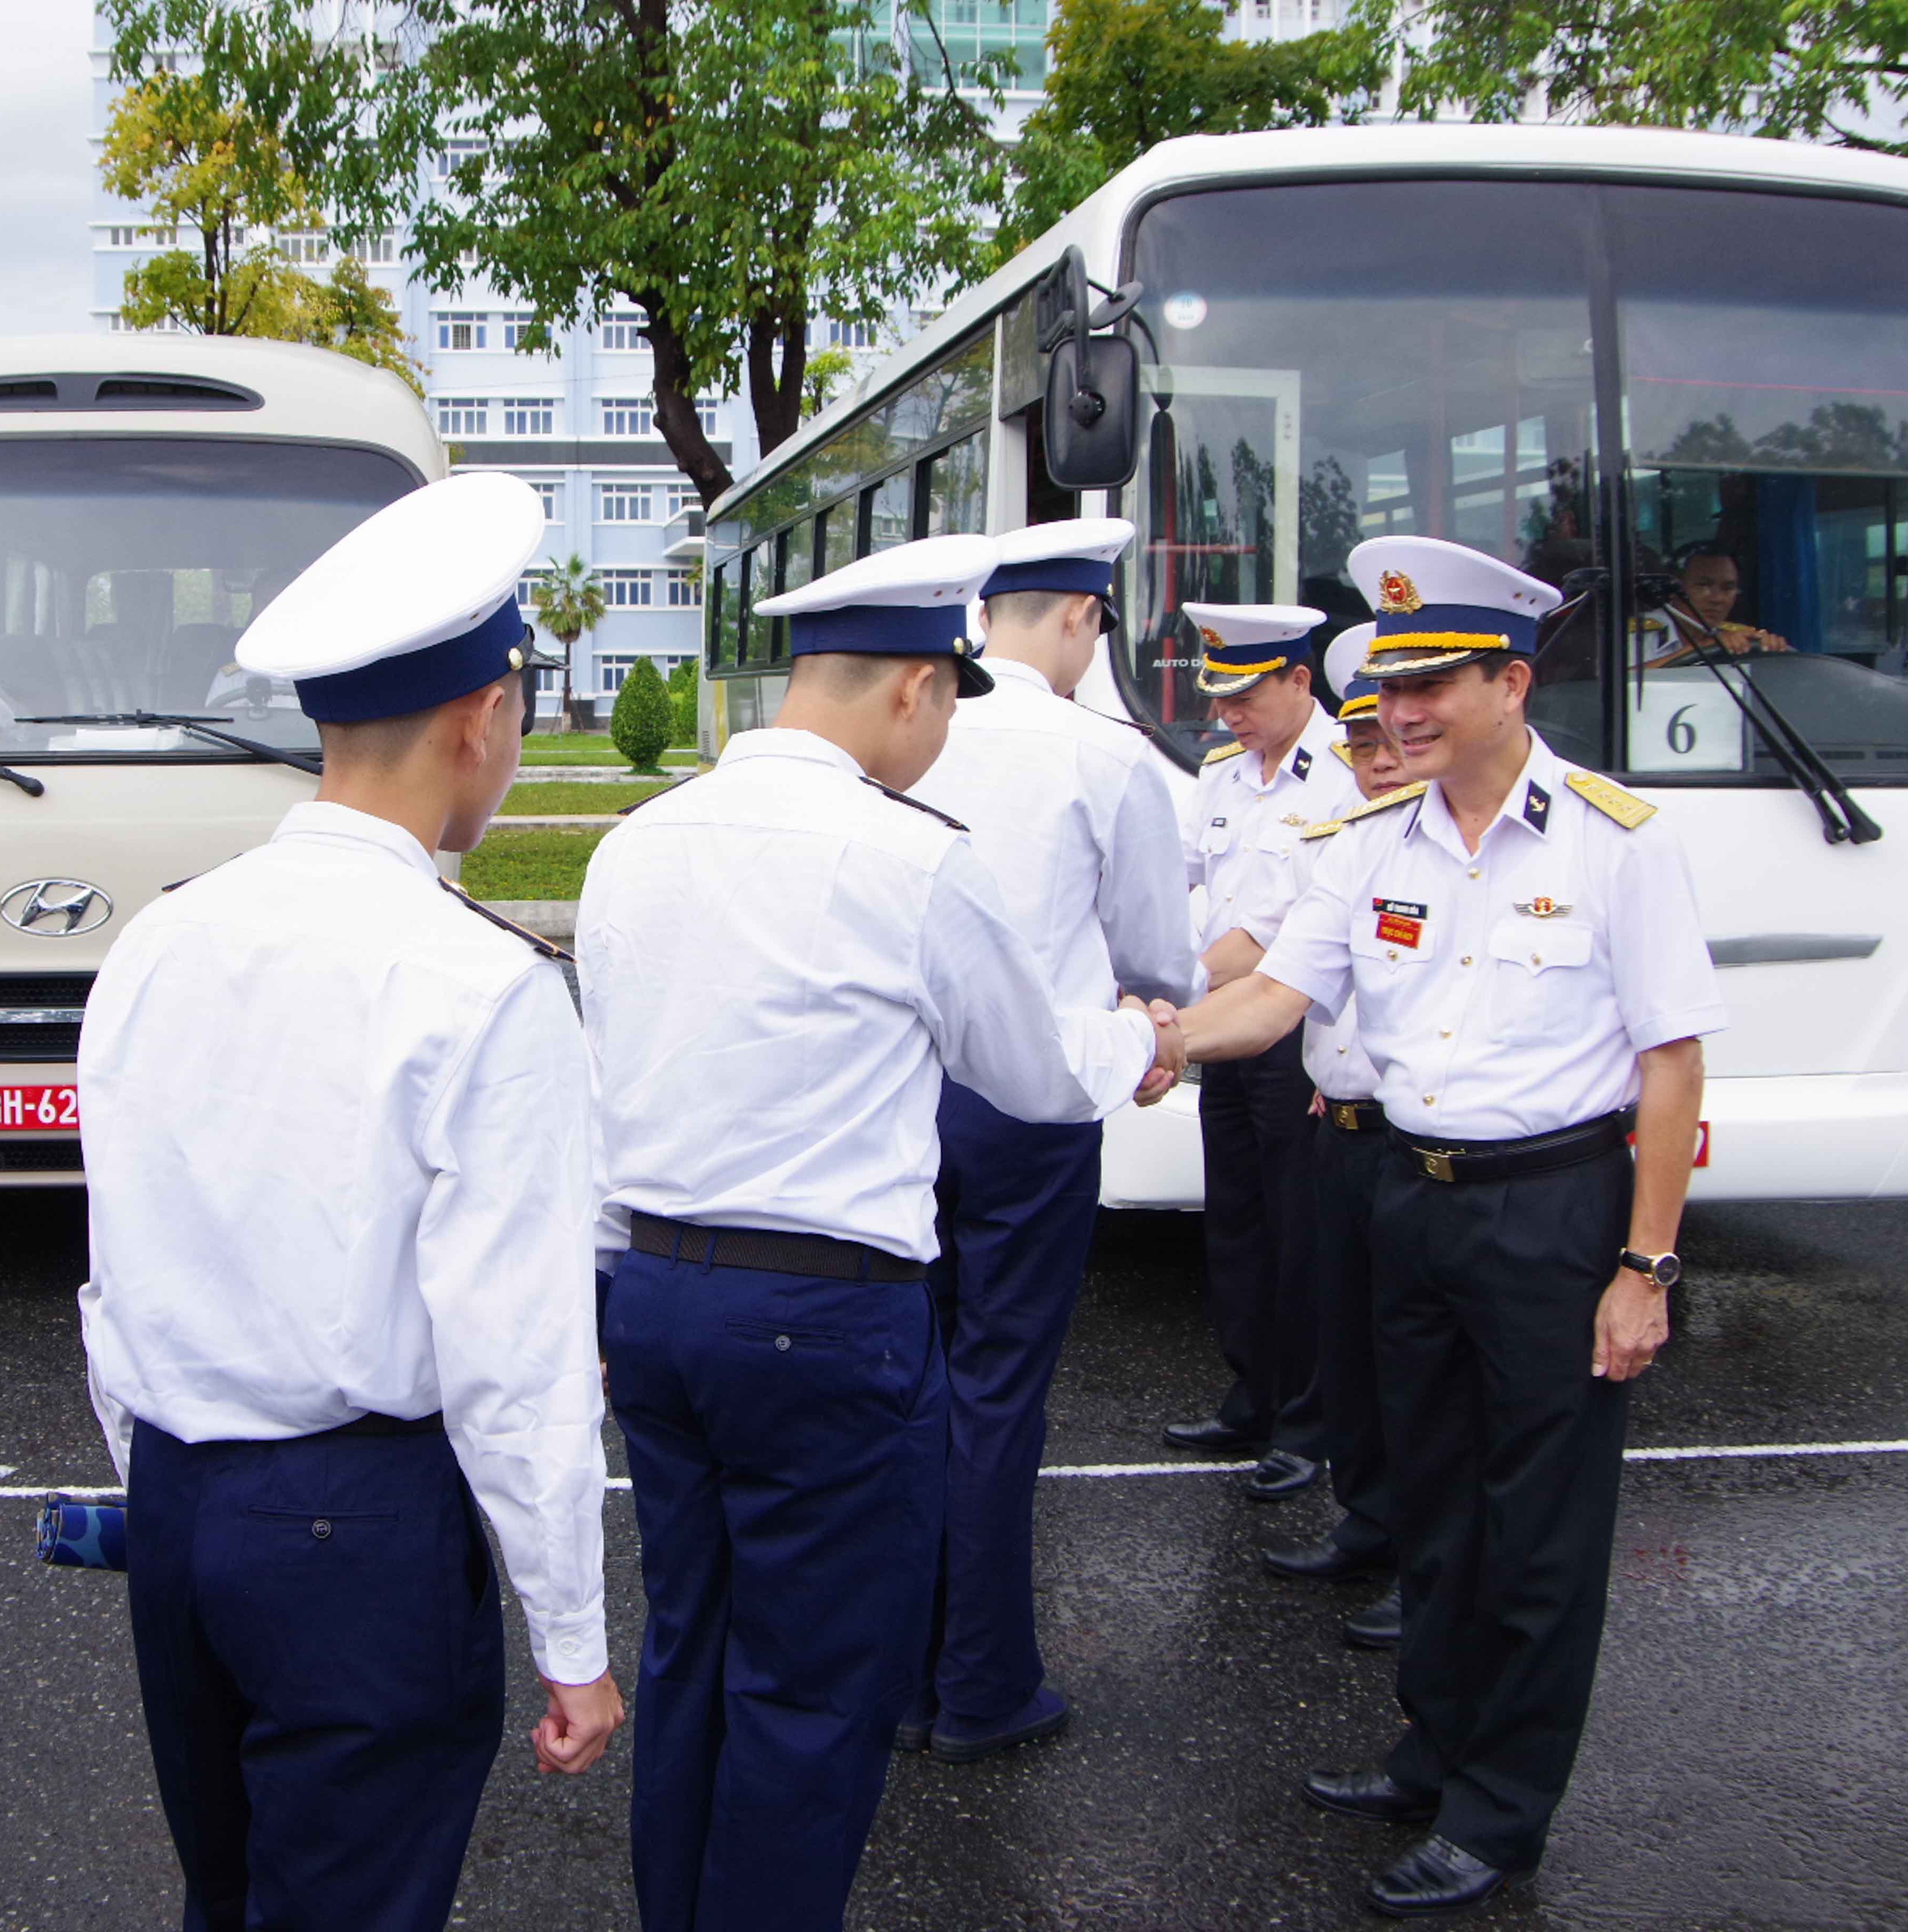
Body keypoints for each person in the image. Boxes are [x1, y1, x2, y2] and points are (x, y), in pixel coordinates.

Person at [580, 533, 1186, 1931]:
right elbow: (1035, 1074)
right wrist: (1139, 1037)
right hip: (825, 1317)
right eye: (949, 706)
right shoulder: (911, 857)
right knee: (811, 1689)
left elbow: (608, 1088)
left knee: (690, 1648)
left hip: (655, 1292)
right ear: (916, 687)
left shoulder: (638, 843)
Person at [76, 472, 622, 1932]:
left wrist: (170, 1475)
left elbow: (116, 1272)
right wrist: (572, 1634)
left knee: (229, 1896)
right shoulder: (481, 984)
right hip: (356, 1528)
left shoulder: (159, 940)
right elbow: (516, 1357)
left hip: (184, 1500)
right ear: (482, 718)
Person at [1163, 535, 1724, 1917]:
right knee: (1432, 1505)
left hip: (1556, 1215)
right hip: (1413, 1201)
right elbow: (1273, 1001)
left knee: (1539, 1532)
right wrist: (1154, 1043)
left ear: (1512, 684)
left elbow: (1673, 1064)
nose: (1400, 715)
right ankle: (1435, 1753)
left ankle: (1500, 1811)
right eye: (1391, 689)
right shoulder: (1367, 845)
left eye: (1432, 687)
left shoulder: (1615, 842)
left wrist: (1647, 1265)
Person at [904, 518, 1201, 1763]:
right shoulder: (1104, 754)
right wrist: (1153, 1025)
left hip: (901, 1098)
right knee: (997, 1392)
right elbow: (1156, 956)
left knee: (911, 1383)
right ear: (1082, 617)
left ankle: (900, 1676)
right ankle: (979, 1685)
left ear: (984, 617)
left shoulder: (911, 727)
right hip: (1031, 1108)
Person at [1156, 602, 1362, 1506]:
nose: (1225, 714)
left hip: (1294, 1033)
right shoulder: (1223, 775)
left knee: (1299, 1234)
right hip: (1224, 1024)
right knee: (1235, 1221)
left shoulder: (1349, 773)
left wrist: (1172, 1000)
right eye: (1219, 696)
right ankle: (1252, 1396)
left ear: (1299, 681)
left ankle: (1308, 1424)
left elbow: (1281, 932)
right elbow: (1179, 882)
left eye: (1244, 696)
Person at [1267, 625, 1416, 1643]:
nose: (1377, 763)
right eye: (1360, 746)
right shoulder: (1347, 848)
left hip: (1421, 1149)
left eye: (1391, 743)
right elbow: (1295, 986)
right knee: (1348, 1344)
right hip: (1343, 1129)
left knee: (1418, 1365)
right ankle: (1367, 1519)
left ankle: (1427, 1562)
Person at [1638, 542, 1789, 666]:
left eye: (1728, 588)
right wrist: (1698, 650)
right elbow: (1625, 684)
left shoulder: (1738, 638)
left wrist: (1771, 651)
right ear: (1674, 589)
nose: (1717, 599)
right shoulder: (1638, 634)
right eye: (1704, 586)